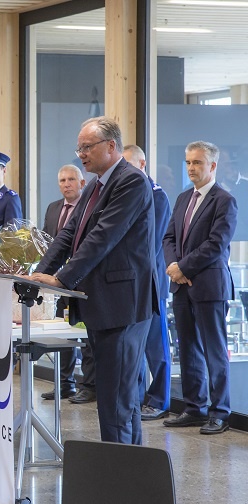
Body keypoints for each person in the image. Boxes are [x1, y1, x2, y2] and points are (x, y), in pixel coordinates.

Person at [31, 116, 158, 445]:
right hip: (103, 304)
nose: (81, 154)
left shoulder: (132, 182)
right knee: (117, 396)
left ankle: (119, 479)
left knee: (116, 399)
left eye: (87, 147)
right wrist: (40, 273)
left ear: (111, 146)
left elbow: (103, 238)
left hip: (124, 305)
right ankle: (129, 470)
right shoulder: (96, 185)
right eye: (79, 148)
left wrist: (60, 279)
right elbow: (68, 233)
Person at [162, 141, 238, 435]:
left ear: (212, 166)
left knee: (214, 351)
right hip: (181, 286)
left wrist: (183, 267)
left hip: (209, 286)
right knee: (188, 349)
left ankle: (220, 413)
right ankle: (195, 408)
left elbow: (216, 245)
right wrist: (173, 266)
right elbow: (169, 237)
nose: (192, 168)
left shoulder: (224, 200)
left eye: (197, 163)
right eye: (188, 163)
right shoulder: (182, 198)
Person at [122, 145, 172, 421]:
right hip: (132, 282)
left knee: (156, 345)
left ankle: (159, 399)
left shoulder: (157, 195)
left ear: (142, 163)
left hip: (150, 282)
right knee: (135, 346)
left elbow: (151, 245)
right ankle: (138, 397)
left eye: (130, 165)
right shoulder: (131, 192)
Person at [40, 164, 92, 402]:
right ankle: (65, 383)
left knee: (84, 334)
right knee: (62, 334)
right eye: (62, 180)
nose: (66, 184)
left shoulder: (89, 207)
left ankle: (89, 385)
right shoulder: (53, 208)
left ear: (82, 183)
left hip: (82, 279)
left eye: (71, 179)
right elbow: (46, 241)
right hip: (55, 282)